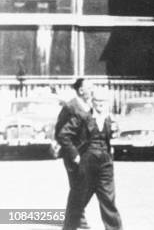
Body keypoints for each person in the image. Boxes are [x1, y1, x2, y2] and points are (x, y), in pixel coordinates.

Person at [57, 89, 123, 230]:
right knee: (78, 201)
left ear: (108, 104)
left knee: (109, 202)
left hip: (105, 164)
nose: (100, 105)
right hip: (87, 163)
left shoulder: (110, 120)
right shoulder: (82, 116)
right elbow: (63, 135)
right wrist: (74, 154)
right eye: (97, 102)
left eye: (103, 102)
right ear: (92, 102)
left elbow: (113, 139)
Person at [55, 78, 93, 230]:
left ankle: (77, 220)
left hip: (87, 154)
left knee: (83, 187)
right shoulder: (70, 107)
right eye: (90, 87)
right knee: (78, 187)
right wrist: (73, 153)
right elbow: (60, 132)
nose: (93, 89)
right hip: (74, 155)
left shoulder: (88, 106)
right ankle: (76, 222)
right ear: (81, 90)